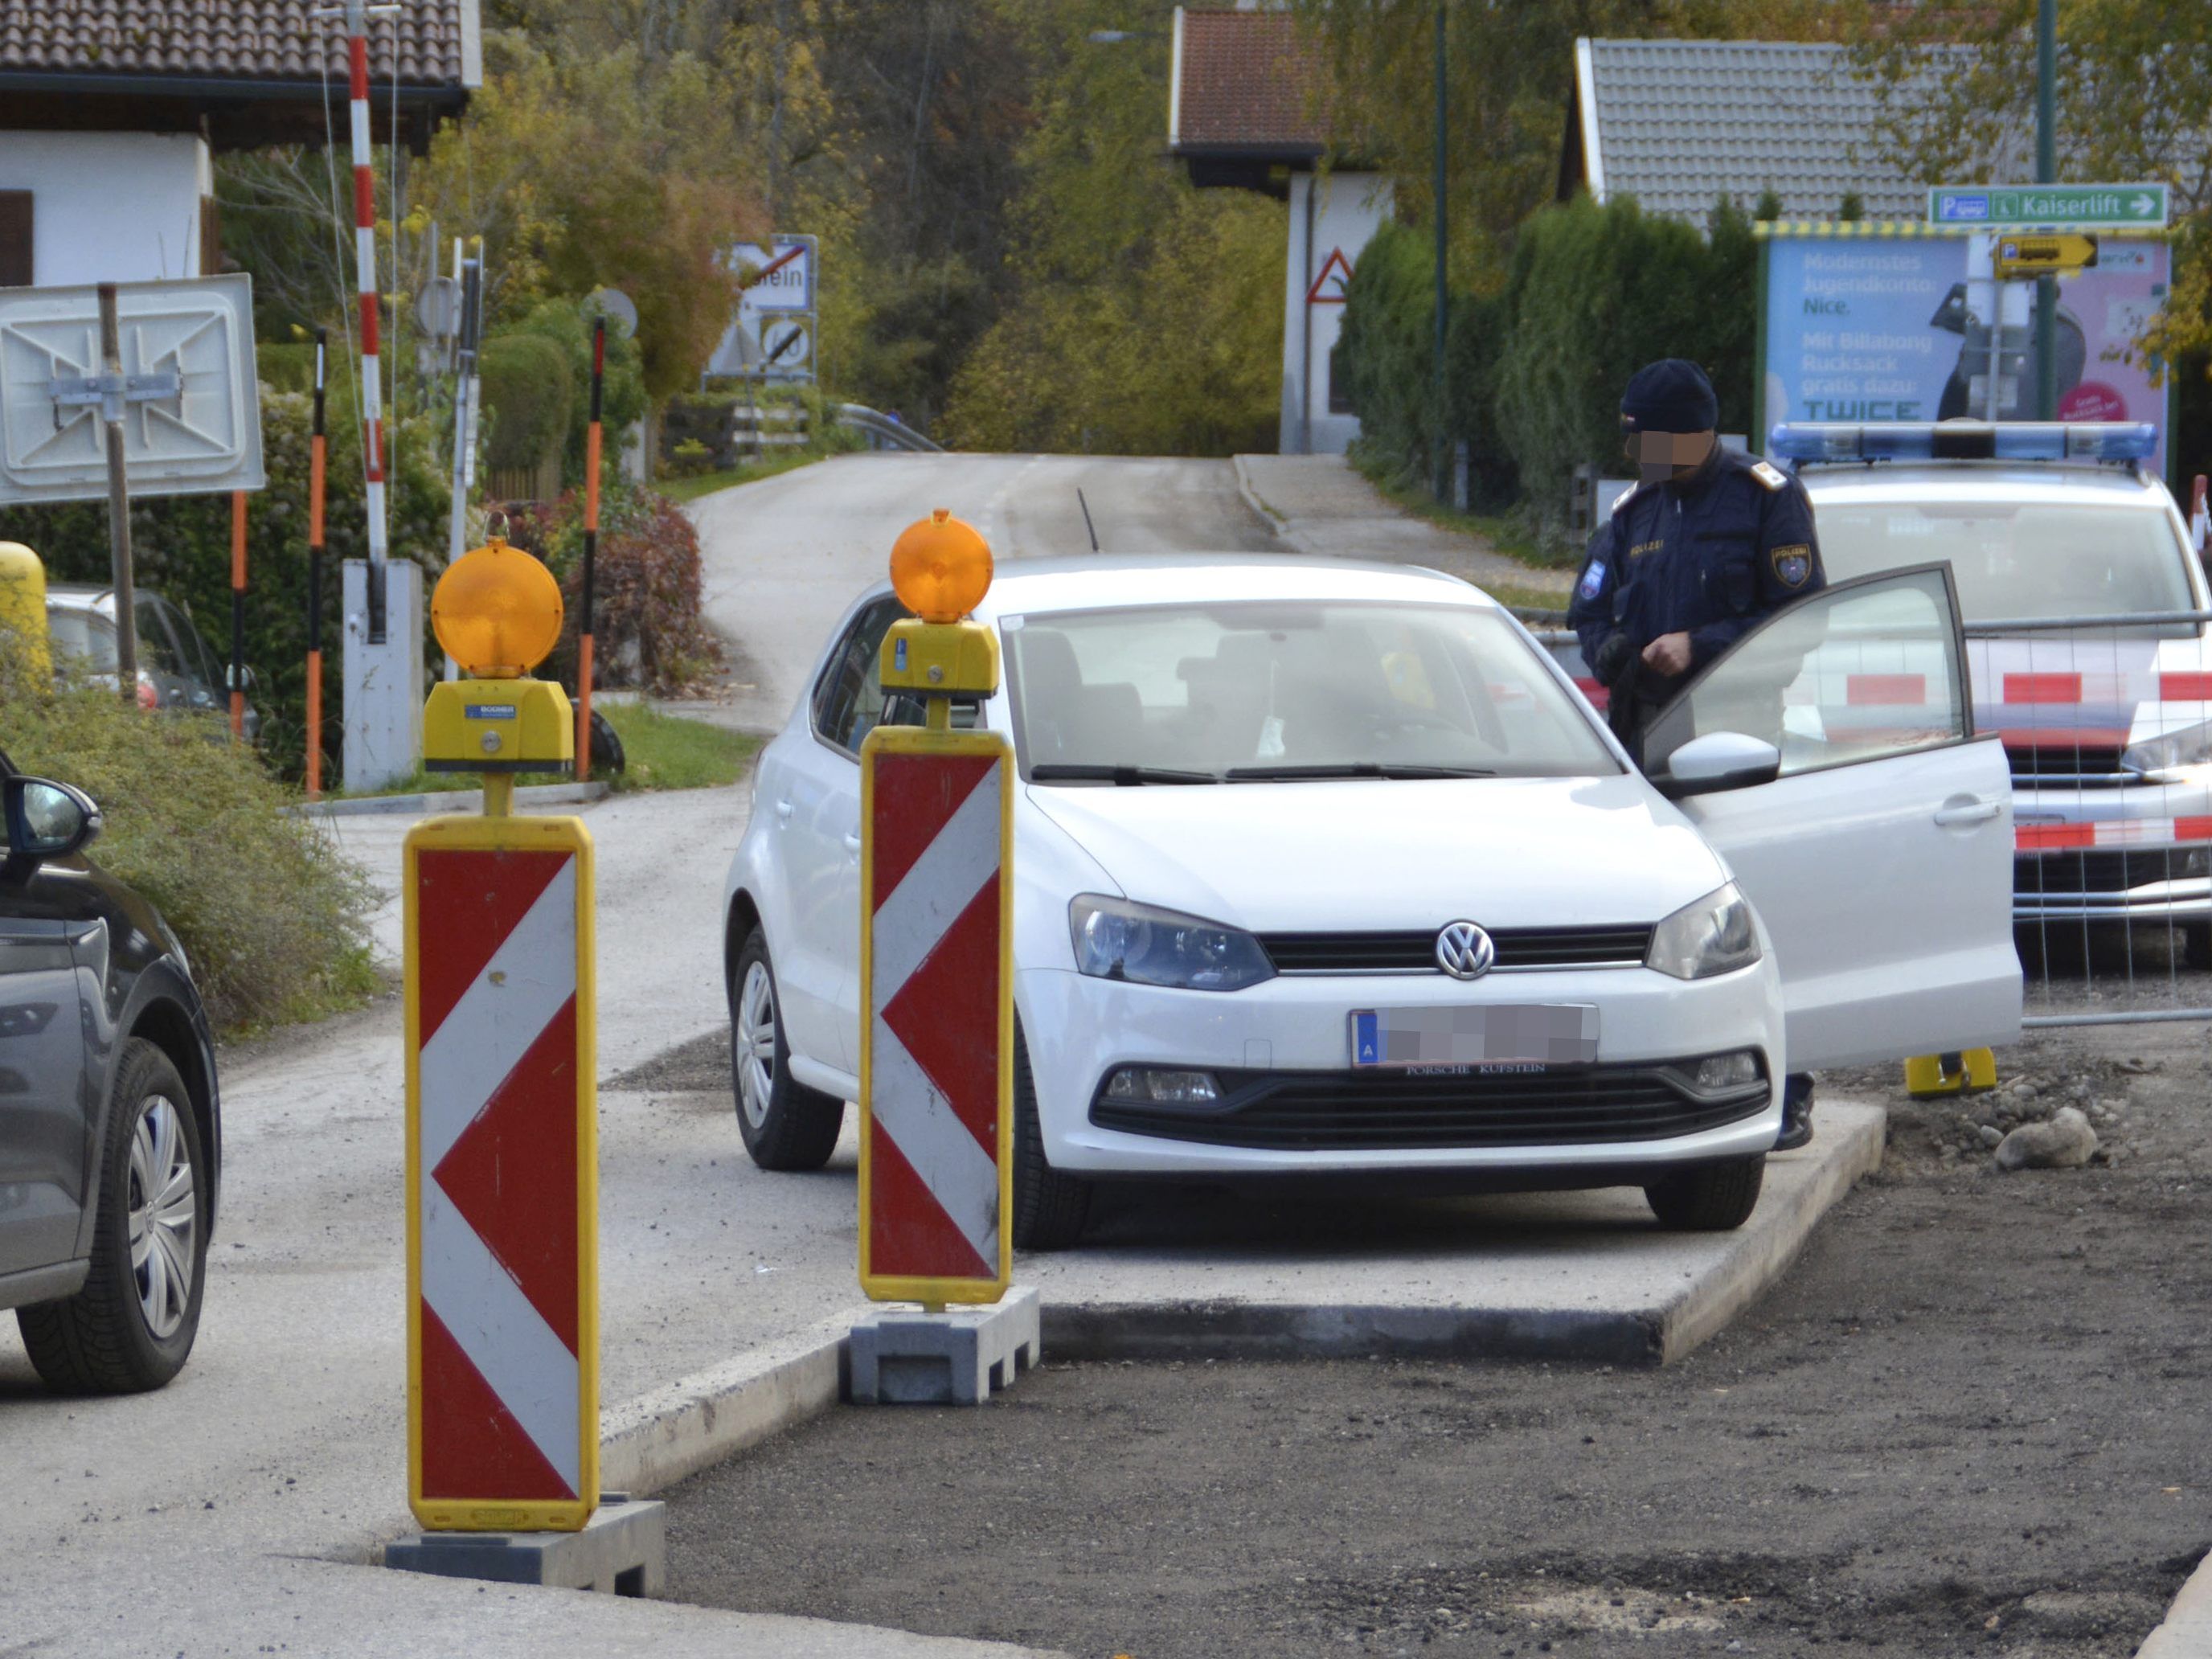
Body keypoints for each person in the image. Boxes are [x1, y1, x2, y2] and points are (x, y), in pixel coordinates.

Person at [1567, 356, 1827, 1153]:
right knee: (1655, 923)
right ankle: (1659, 1084)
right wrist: (1616, 650)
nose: (1631, 453)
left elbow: (1801, 620)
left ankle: (1782, 1086)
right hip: (1644, 748)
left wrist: (1701, 646)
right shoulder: (1636, 512)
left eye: (1640, 437)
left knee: (1750, 920)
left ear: (1687, 433)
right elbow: (1588, 610)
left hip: (1736, 744)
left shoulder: (1763, 501)